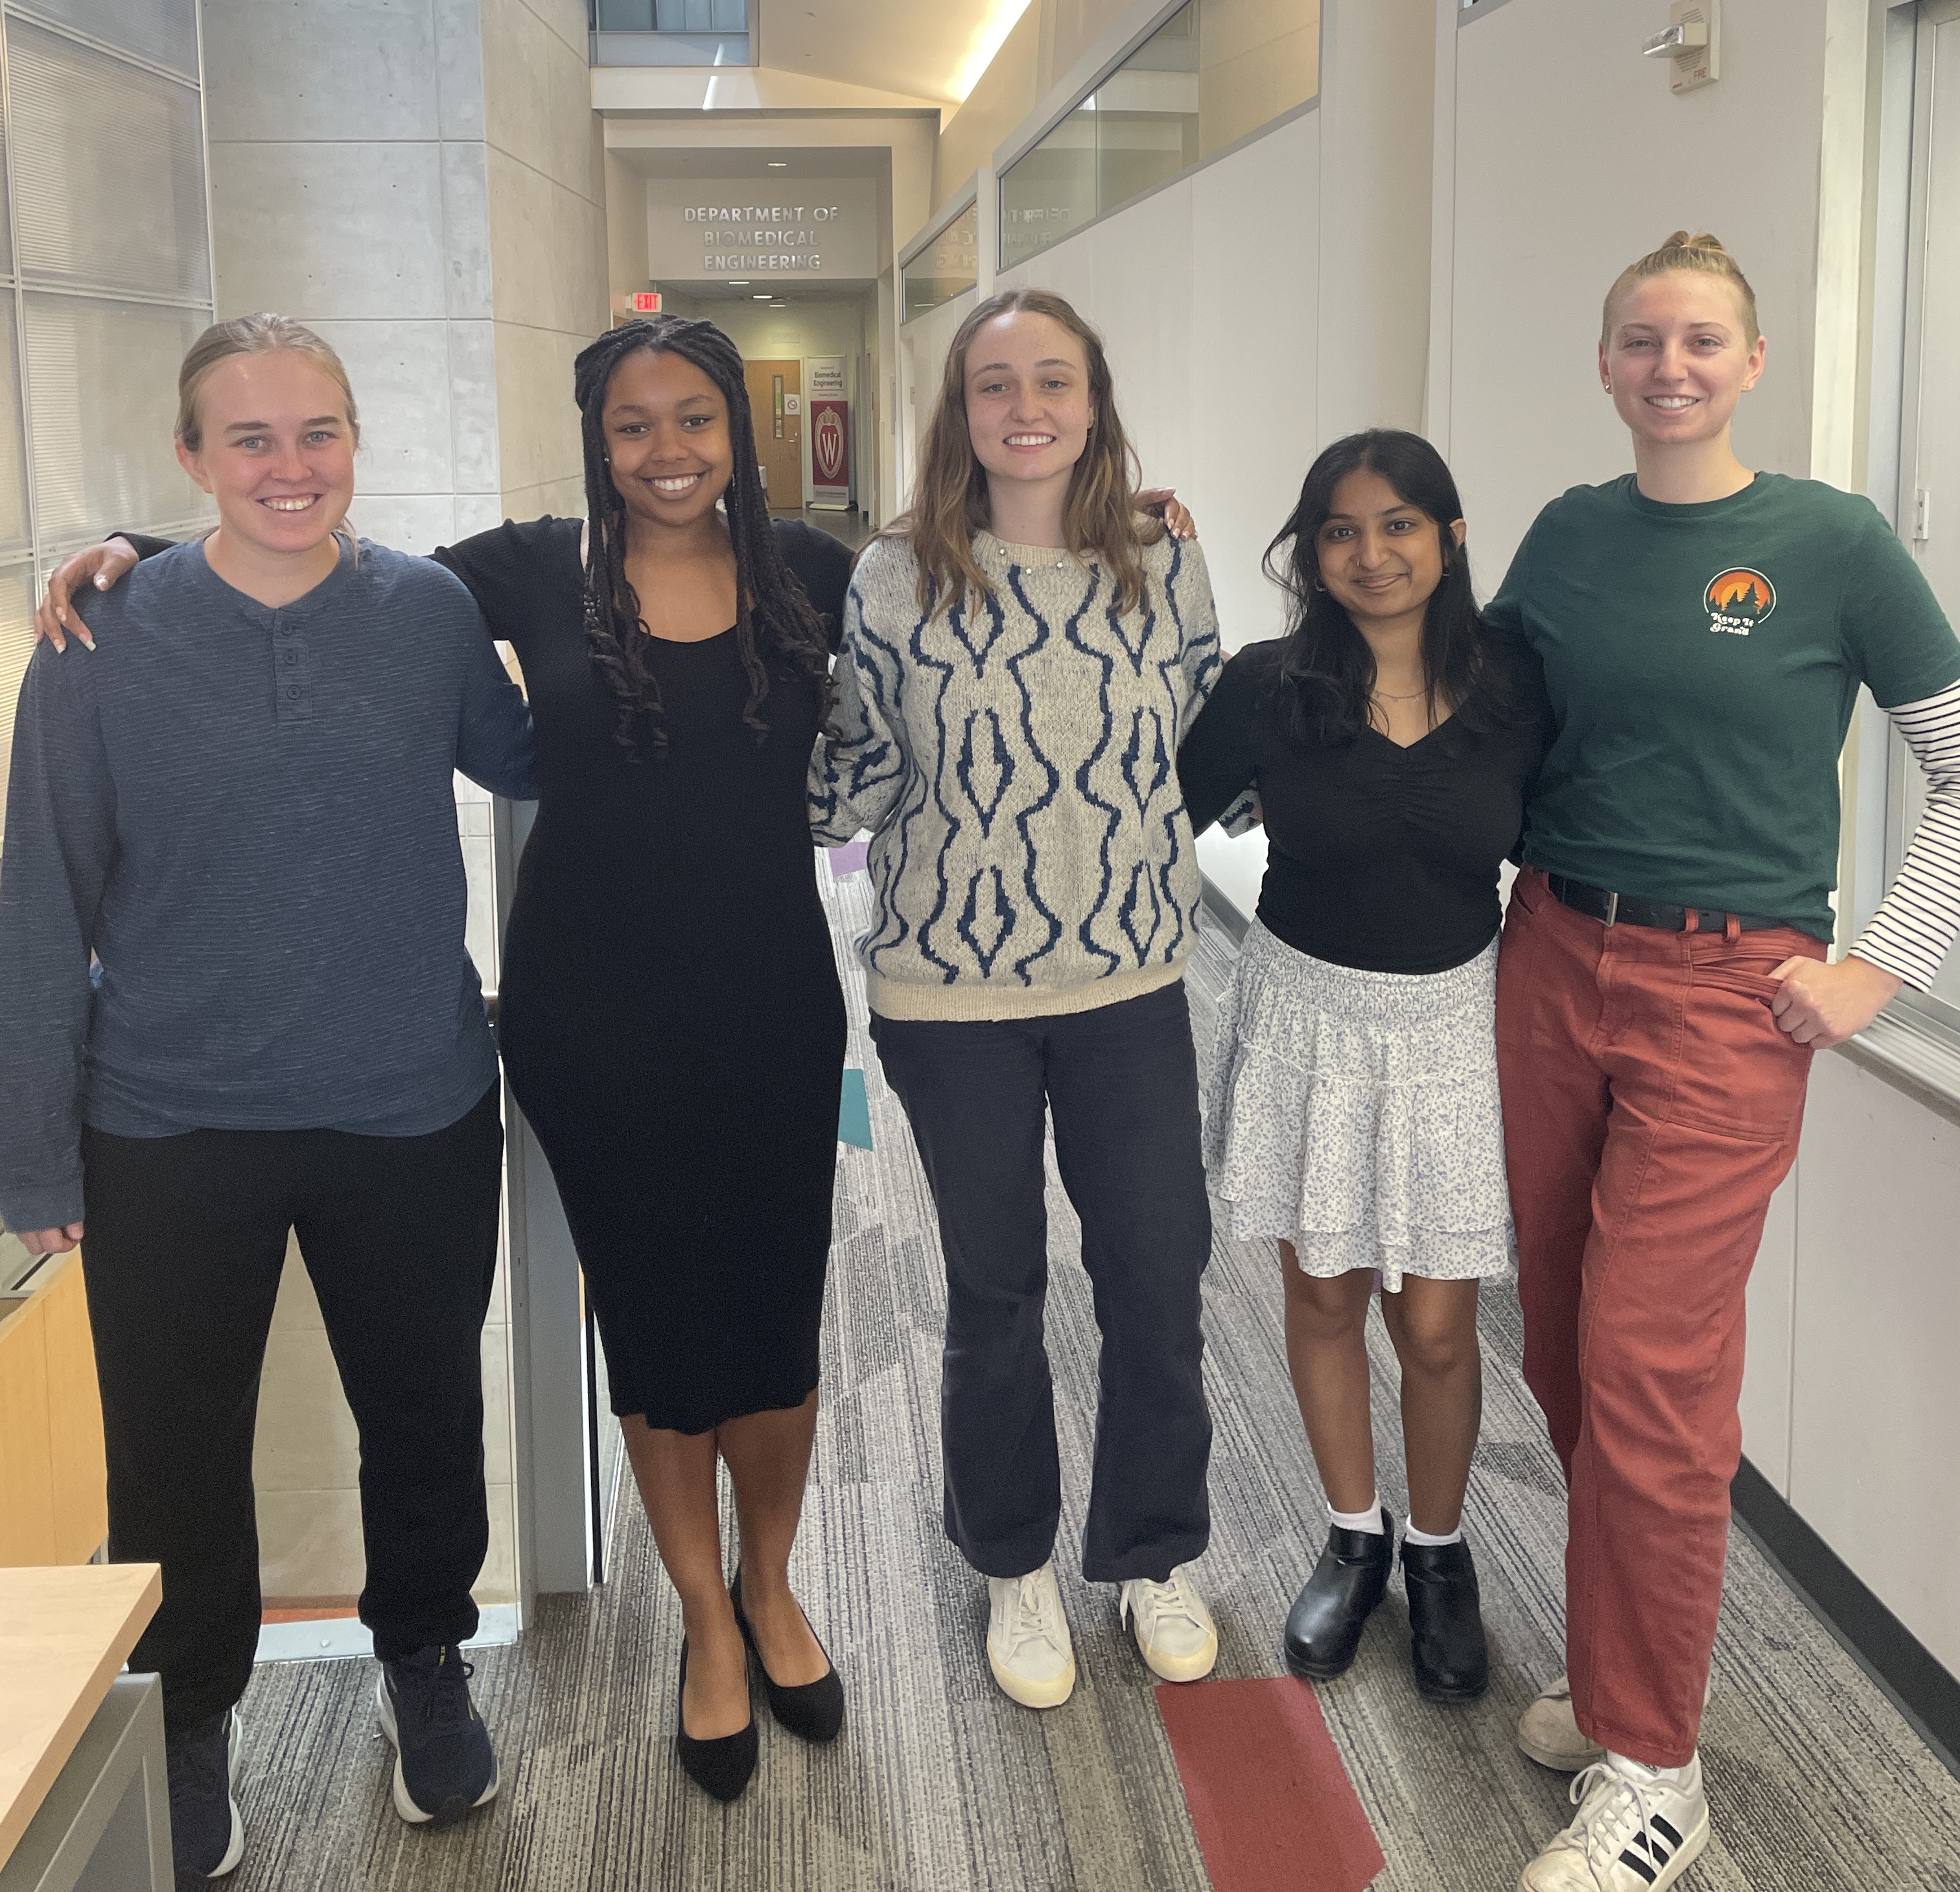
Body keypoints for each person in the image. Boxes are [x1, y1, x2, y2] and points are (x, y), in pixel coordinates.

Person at [35, 315, 859, 1806]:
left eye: (693, 416)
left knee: (679, 1348)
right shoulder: (527, 569)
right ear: (595, 440)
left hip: (682, 1027)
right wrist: (126, 551)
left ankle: (682, 1605)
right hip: (534, 1029)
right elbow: (307, 565)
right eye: (631, 422)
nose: (665, 448)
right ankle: (678, 1628)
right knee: (644, 1339)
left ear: (740, 425)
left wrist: (1128, 514)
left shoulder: (811, 568)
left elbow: (974, 589)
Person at [0, 315, 535, 1883]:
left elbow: (541, 759)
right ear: (188, 458)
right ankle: (191, 1708)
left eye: (319, 433)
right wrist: (31, 1147)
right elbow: (42, 900)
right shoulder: (96, 642)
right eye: (249, 439)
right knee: (173, 1450)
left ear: (357, 442)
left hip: (410, 1103)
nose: (290, 467)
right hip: (168, 1121)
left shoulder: (428, 615)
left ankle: (424, 1659)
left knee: (427, 1418)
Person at [1485, 234, 1960, 1892]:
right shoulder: (1566, 535)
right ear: (1605, 361)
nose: (1668, 366)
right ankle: (1622, 1684)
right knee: (1557, 1339)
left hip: (1726, 993)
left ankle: (1660, 1774)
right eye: (1639, 340)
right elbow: (1477, 714)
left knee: (1651, 1373)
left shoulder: (1829, 544)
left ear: (1752, 361)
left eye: (1700, 340)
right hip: (1551, 955)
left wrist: (1880, 969)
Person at [811, 287, 1223, 1710]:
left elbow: (1187, 736)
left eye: (1054, 379)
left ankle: (1155, 1549)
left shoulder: (1167, 561)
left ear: (1096, 400)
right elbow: (849, 782)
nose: (1026, 406)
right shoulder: (890, 577)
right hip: (947, 992)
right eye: (997, 385)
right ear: (962, 412)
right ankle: (1015, 1561)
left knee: (1158, 1274)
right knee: (995, 1289)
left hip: (1134, 977)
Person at [1178, 429, 1549, 1704]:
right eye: (1341, 529)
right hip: (1306, 1018)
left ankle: (1441, 1555)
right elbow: (1136, 810)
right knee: (1326, 1292)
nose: (1371, 552)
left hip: (1452, 1023)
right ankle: (1355, 1533)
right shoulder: (1269, 686)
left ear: (1448, 539)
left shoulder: (1515, 687)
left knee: (1439, 1324)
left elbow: (1569, 838)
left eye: (1399, 524)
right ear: (1311, 550)